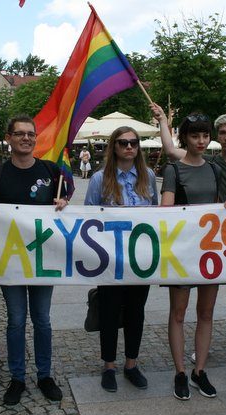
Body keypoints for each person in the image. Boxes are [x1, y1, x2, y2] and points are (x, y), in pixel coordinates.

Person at [151, 103, 226, 368]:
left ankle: (199, 370)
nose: (201, 141)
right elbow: (166, 210)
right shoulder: (174, 169)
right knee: (178, 314)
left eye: (205, 136)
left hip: (209, 251)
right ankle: (181, 372)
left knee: (206, 314)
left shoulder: (213, 168)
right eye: (195, 136)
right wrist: (163, 119)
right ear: (185, 137)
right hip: (183, 251)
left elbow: (217, 206)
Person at [0, 115, 68, 405]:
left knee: (42, 320)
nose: (26, 138)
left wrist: (62, 204)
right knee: (16, 320)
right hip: (12, 261)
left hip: (43, 260)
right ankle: (17, 378)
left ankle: (45, 375)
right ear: (9, 137)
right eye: (20, 134)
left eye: (31, 134)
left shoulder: (50, 171)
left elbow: (65, 202)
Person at [84, 126, 159, 393]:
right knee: (109, 311)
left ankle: (131, 363)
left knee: (136, 311)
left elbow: (157, 215)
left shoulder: (148, 177)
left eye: (133, 143)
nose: (129, 147)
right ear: (113, 146)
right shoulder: (98, 179)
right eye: (123, 142)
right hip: (111, 259)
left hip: (140, 259)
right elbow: (88, 218)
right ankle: (109, 366)